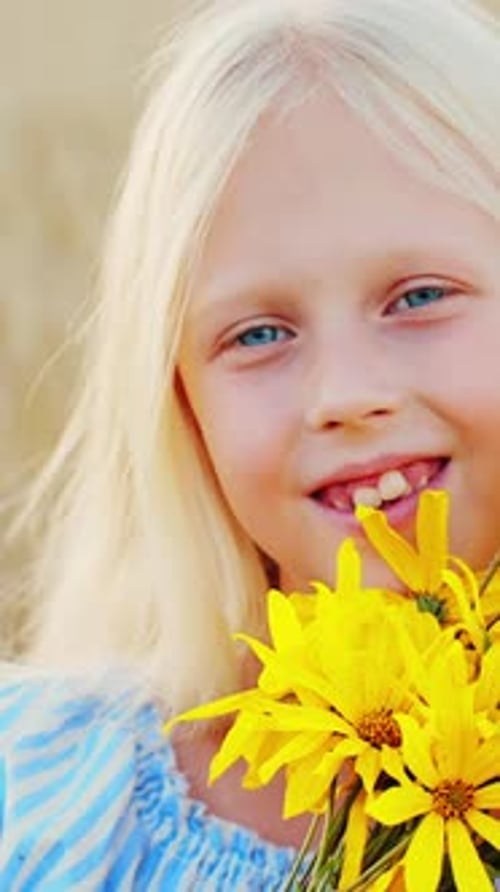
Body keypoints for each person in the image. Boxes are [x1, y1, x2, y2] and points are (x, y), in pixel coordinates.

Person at [1, 0, 500, 888]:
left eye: (420, 296)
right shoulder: (42, 798)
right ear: (178, 400)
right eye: (260, 335)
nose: (347, 396)